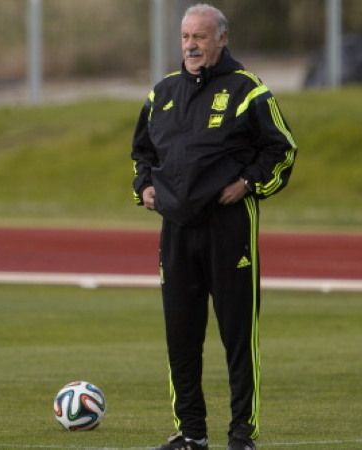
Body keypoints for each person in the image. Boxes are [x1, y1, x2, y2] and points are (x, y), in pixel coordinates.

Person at [130, 4, 296, 450]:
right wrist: (144, 187)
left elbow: (282, 150)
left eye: (200, 37)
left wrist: (247, 184)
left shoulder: (249, 91)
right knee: (181, 337)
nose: (191, 45)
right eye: (186, 36)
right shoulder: (161, 94)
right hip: (177, 231)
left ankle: (242, 433)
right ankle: (191, 433)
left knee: (238, 336)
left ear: (222, 39)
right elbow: (142, 153)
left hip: (229, 229)